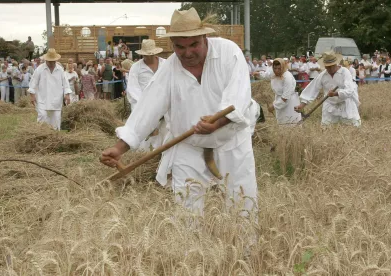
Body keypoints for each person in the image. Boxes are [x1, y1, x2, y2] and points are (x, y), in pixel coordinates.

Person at [100, 8, 260, 215]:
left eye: (194, 44)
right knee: (186, 212)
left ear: (204, 37)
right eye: (179, 47)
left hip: (232, 144)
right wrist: (120, 147)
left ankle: (244, 247)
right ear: (172, 44)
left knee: (242, 205)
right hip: (189, 146)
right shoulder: (169, 69)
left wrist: (217, 123)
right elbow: (147, 108)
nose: (187, 53)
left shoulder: (229, 53)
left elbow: (238, 97)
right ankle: (191, 247)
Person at [295, 51, 360, 127]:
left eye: (331, 66)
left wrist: (335, 94)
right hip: (330, 106)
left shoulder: (345, 72)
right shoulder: (323, 75)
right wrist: (301, 105)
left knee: (352, 128)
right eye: (327, 66)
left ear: (336, 64)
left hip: (346, 104)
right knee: (326, 129)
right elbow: (312, 89)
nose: (330, 68)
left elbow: (350, 90)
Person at [126, 39, 166, 151]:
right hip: (143, 104)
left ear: (155, 53)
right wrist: (146, 105)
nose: (148, 57)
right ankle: (144, 155)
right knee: (144, 131)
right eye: (146, 55)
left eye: (151, 55)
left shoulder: (165, 64)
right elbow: (133, 88)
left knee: (164, 130)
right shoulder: (136, 67)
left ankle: (162, 154)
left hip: (164, 103)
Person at [28, 48, 72, 130]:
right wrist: (32, 95)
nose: (52, 63)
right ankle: (40, 134)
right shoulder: (40, 69)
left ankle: (55, 137)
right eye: (50, 61)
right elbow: (33, 82)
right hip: (42, 98)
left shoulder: (60, 69)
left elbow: (66, 83)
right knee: (42, 116)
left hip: (56, 98)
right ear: (46, 60)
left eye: (53, 61)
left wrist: (67, 95)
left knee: (56, 118)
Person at [258, 59, 302, 125]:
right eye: (275, 68)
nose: (276, 70)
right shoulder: (275, 73)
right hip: (279, 100)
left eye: (279, 68)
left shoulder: (287, 77)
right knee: (281, 123)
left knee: (290, 124)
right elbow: (267, 76)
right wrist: (257, 74)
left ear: (283, 67)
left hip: (289, 103)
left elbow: (285, 97)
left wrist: (273, 106)